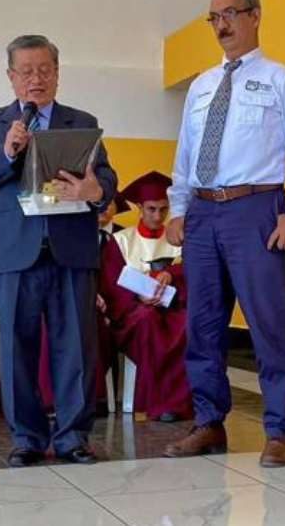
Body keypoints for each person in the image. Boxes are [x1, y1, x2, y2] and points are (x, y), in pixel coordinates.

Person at [164, 0, 285, 467]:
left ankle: (280, 432)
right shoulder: (201, 86)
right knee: (202, 323)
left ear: (255, 15)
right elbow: (185, 154)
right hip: (202, 212)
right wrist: (178, 208)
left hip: (256, 209)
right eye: (214, 17)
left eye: (230, 14)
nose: (222, 25)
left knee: (269, 323)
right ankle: (209, 422)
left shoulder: (282, 80)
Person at [0, 34, 117, 466]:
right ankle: (26, 438)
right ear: (11, 77)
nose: (36, 79)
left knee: (76, 347)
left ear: (57, 73)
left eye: (45, 70)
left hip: (71, 248)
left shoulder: (81, 121)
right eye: (27, 71)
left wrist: (95, 190)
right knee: (16, 350)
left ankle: (73, 438)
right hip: (14, 252)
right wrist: (6, 152)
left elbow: (107, 179)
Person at [100, 171, 192, 422]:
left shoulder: (178, 240)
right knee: (148, 320)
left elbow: (190, 271)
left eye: (163, 210)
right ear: (140, 207)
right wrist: (137, 296)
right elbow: (110, 282)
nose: (157, 216)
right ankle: (159, 402)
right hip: (134, 312)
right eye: (151, 209)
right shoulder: (121, 240)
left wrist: (171, 275)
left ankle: (177, 403)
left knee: (187, 324)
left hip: (171, 307)